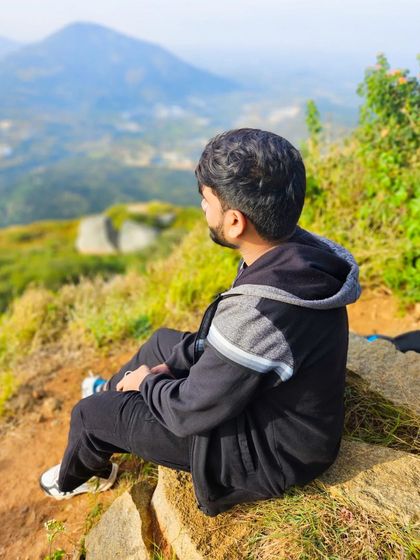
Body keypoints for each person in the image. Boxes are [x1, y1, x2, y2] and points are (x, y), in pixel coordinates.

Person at [40, 128, 361, 516]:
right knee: (161, 343)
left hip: (271, 451)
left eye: (207, 200)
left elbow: (188, 412)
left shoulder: (259, 313)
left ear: (236, 222)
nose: (203, 209)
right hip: (276, 404)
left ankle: (81, 474)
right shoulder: (296, 251)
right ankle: (113, 392)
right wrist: (159, 374)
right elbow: (233, 346)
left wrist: (149, 383)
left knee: (88, 415)